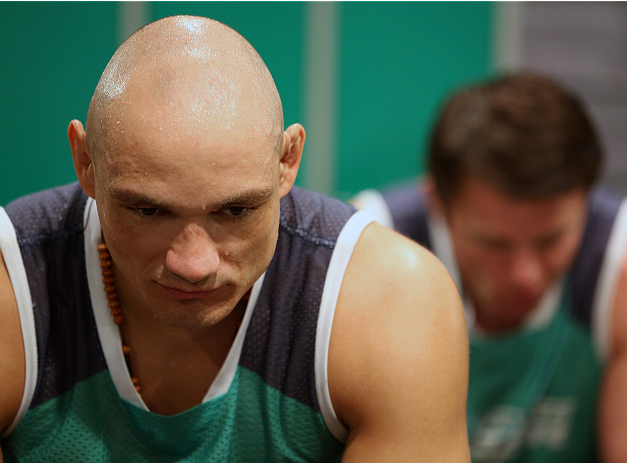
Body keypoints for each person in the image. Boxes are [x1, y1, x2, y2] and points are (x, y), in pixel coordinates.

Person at [0, 16, 471, 462]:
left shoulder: (391, 302)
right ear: (86, 163)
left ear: (287, 161)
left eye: (236, 210)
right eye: (147, 210)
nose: (194, 263)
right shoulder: (9, 289)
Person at [352, 73, 627, 462]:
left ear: (586, 198)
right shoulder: (362, 263)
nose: (524, 274)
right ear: (437, 204)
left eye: (551, 240)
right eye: (493, 244)